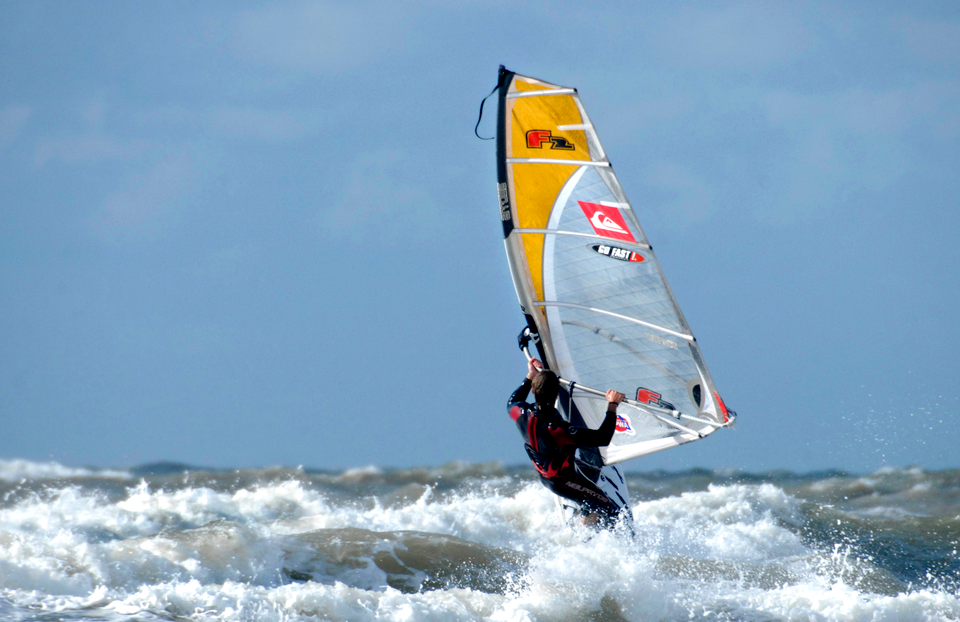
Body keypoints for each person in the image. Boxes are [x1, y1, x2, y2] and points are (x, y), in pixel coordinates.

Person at [507, 357, 627, 528]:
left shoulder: (521, 414)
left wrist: (529, 377)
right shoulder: (561, 430)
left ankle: (583, 510)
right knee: (611, 512)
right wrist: (613, 405)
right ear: (557, 395)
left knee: (589, 470)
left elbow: (511, 401)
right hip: (564, 482)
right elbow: (602, 438)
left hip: (548, 474)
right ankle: (585, 532)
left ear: (533, 391)